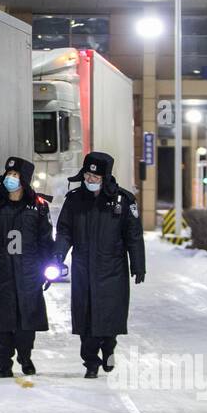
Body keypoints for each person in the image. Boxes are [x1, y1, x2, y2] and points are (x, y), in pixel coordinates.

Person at [52, 151, 146, 379]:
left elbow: (133, 234)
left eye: (96, 177)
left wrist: (138, 264)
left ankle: (109, 349)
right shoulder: (75, 200)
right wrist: (58, 256)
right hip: (83, 268)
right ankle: (91, 363)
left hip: (112, 269)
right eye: (87, 175)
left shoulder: (123, 201)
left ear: (105, 177)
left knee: (109, 318)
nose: (91, 180)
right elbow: (64, 231)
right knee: (86, 319)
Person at [0, 156, 54, 378]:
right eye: (8, 174)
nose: (10, 179)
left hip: (29, 274)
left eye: (15, 175)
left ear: (25, 180)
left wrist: (51, 265)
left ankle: (25, 357)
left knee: (26, 321)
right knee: (2, 321)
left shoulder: (38, 207)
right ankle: (4, 364)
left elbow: (46, 240)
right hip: (1, 274)